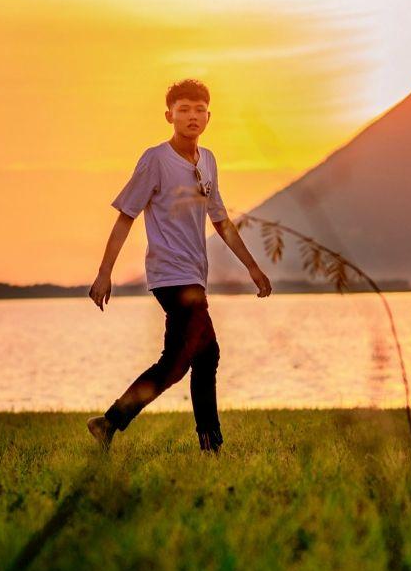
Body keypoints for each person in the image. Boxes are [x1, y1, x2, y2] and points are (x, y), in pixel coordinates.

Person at [86, 79, 272, 453]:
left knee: (195, 358)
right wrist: (105, 272)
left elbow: (220, 220)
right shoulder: (155, 159)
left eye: (199, 109)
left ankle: (118, 425)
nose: (192, 116)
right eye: (184, 109)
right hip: (169, 275)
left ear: (209, 116)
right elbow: (126, 216)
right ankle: (196, 439)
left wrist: (252, 268)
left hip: (194, 276)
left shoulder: (208, 161)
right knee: (191, 357)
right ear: (169, 115)